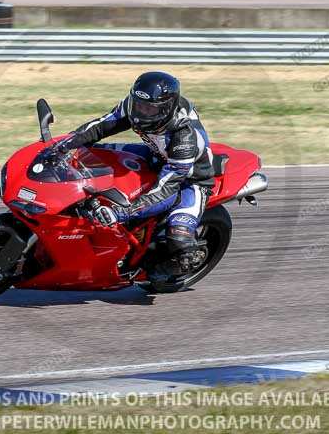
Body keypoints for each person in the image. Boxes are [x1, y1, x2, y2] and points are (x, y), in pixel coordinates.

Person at [52, 71, 215, 281]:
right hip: (154, 155)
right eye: (138, 105)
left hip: (188, 180)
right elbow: (100, 126)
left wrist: (120, 212)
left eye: (149, 109)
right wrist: (62, 145)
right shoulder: (134, 106)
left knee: (179, 238)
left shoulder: (184, 138)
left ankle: (180, 263)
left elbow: (166, 189)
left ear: (166, 109)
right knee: (89, 155)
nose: (141, 113)